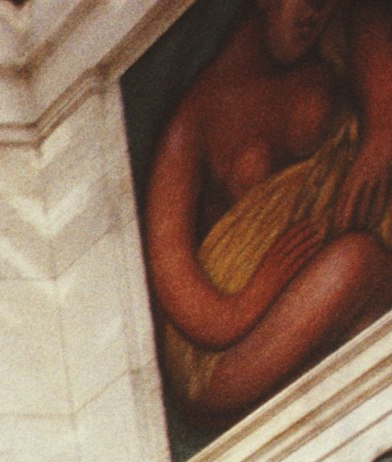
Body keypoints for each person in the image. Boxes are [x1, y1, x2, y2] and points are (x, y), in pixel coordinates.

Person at [139, 0, 392, 427]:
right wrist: (256, 294)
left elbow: (370, 28)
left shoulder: (338, 44)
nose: (315, 13)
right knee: (359, 263)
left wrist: (381, 135)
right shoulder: (194, 120)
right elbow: (176, 283)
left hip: (320, 297)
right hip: (225, 353)